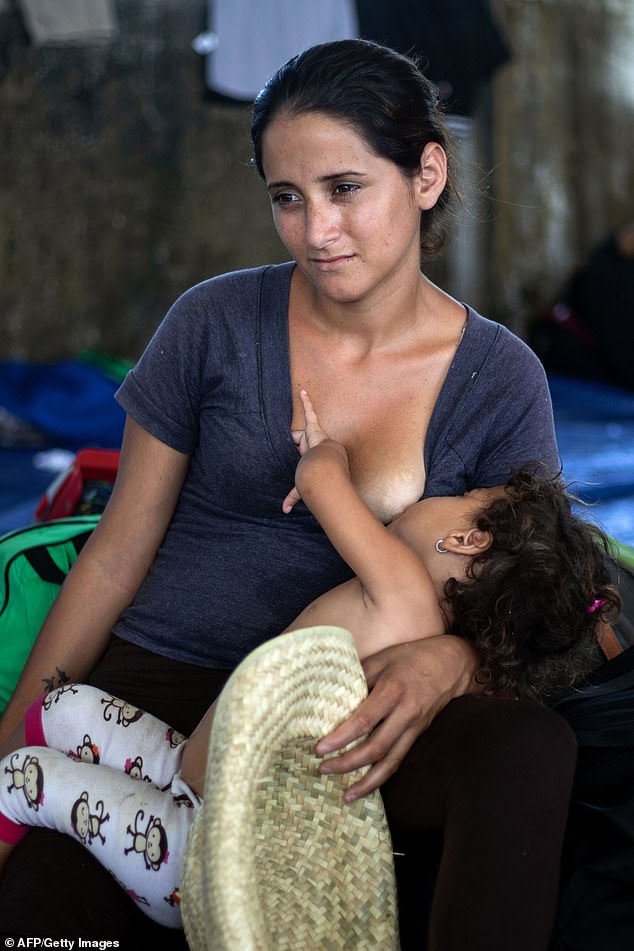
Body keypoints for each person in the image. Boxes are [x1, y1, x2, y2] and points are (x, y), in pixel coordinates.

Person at [0, 38, 580, 949]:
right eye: (287, 197)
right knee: (43, 917)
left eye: (345, 188)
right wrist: (14, 735)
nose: (316, 230)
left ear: (426, 175)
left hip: (351, 711)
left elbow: (535, 579)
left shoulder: (499, 378)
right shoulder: (213, 321)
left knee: (527, 750)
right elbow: (114, 555)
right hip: (161, 690)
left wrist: (453, 662)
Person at [0, 391, 620, 928]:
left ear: (466, 538)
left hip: (193, 847)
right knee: (65, 706)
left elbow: (322, 485)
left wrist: (327, 451)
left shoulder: (402, 587)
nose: (443, 493)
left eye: (464, 494)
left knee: (21, 775)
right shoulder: (423, 624)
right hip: (192, 770)